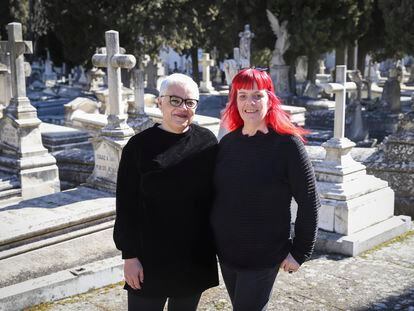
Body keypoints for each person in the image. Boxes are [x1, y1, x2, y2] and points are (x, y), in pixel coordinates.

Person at [211, 68, 320, 311]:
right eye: (242, 96)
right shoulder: (228, 144)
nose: (249, 103)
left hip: (263, 255)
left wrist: (300, 251)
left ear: (269, 99)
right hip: (227, 254)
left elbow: (309, 199)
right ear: (234, 101)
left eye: (256, 95)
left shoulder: (287, 145)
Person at [114, 73, 219, 311]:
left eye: (189, 102)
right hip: (150, 258)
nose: (182, 107)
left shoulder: (207, 142)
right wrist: (129, 257)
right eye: (174, 100)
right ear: (160, 102)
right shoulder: (138, 146)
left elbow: (220, 195)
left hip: (194, 256)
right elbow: (126, 205)